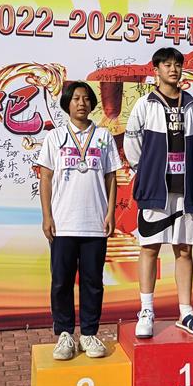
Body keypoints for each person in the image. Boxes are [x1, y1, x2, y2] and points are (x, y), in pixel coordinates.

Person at [124, 47, 193, 338]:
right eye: (167, 65)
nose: (173, 69)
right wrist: (147, 169)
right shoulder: (145, 104)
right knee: (149, 248)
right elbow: (132, 143)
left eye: (177, 65)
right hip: (156, 189)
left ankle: (185, 311)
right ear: (156, 70)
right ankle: (146, 310)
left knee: (184, 250)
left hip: (185, 189)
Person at [37, 81, 122, 360]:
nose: (81, 103)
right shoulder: (55, 137)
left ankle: (88, 333)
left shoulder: (103, 137)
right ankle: (64, 334)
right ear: (67, 104)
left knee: (92, 282)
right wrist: (47, 216)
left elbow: (111, 177)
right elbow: (45, 177)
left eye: (86, 98)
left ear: (92, 104)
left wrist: (110, 213)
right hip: (63, 223)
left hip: (95, 223)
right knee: (61, 281)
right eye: (75, 99)